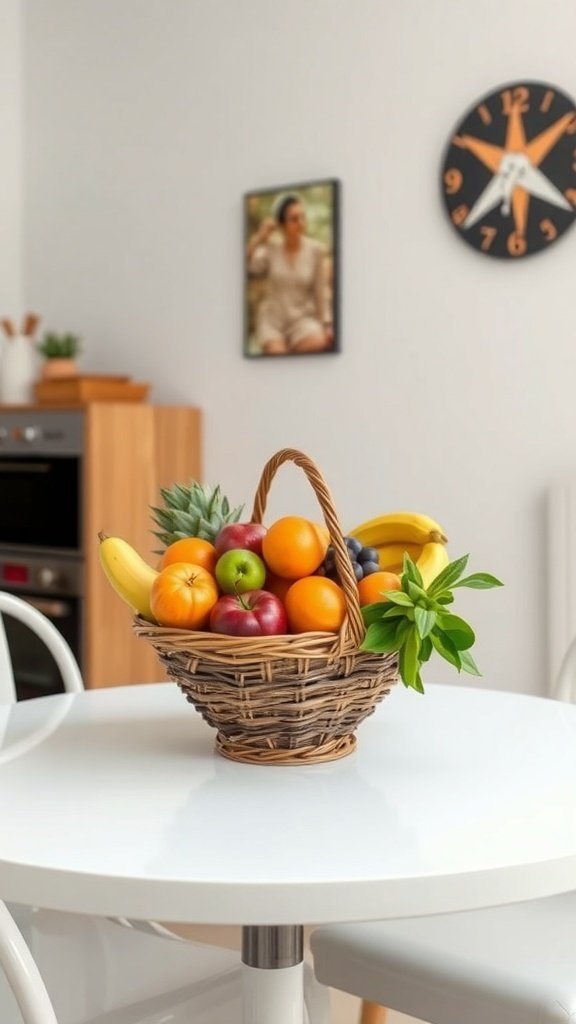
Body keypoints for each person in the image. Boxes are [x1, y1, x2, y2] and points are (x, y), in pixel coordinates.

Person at [246, 194, 334, 355]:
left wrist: (327, 324)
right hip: (273, 323)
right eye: (294, 219)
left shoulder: (316, 251)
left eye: (302, 217)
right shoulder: (271, 249)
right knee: (278, 354)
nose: (300, 223)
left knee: (321, 340)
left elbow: (320, 292)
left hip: (302, 322)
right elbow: (245, 265)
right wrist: (259, 237)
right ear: (282, 224)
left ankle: (288, 349)